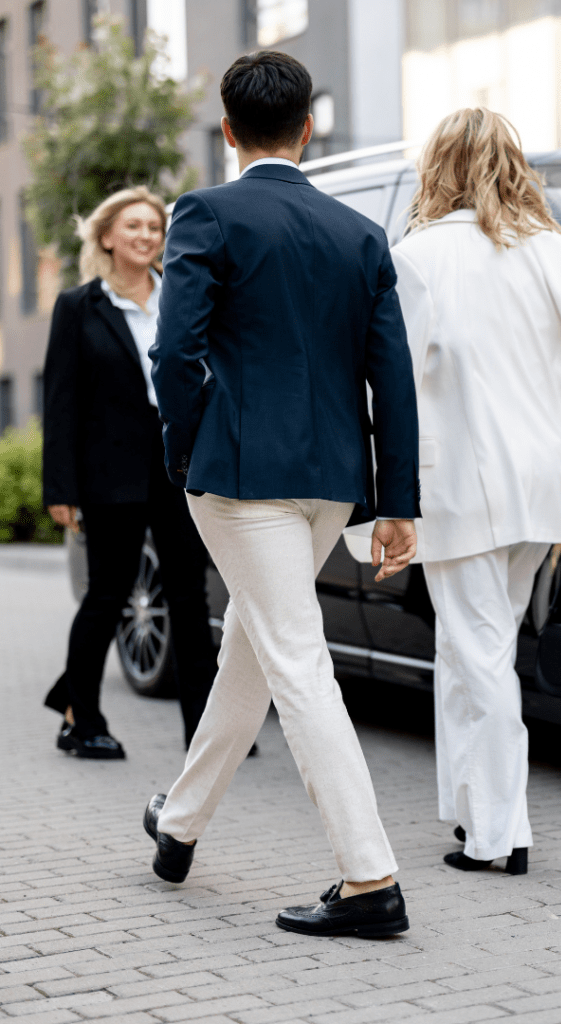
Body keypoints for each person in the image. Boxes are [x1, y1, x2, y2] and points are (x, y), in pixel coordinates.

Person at [144, 51, 418, 938]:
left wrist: (189, 454)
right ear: (309, 128)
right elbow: (394, 377)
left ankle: (371, 880)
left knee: (292, 659)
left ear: (227, 131)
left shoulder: (207, 214)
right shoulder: (359, 235)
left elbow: (173, 355)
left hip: (239, 476)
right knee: (252, 655)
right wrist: (397, 501)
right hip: (331, 481)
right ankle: (178, 827)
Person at [392, 108, 561, 876]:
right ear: (514, 162)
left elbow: (395, 387)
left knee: (476, 652)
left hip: (459, 486)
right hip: (543, 484)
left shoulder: (419, 257)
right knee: (472, 645)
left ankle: (500, 835)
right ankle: (470, 809)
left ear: (438, 168)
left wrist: (384, 500)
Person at [42, 187, 219, 759]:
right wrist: (61, 488)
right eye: (134, 226)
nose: (147, 235)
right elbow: (62, 401)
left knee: (190, 599)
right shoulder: (79, 306)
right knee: (108, 595)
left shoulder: (182, 299)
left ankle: (205, 732)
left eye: (155, 227)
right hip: (109, 473)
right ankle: (82, 720)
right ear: (107, 236)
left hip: (177, 466)